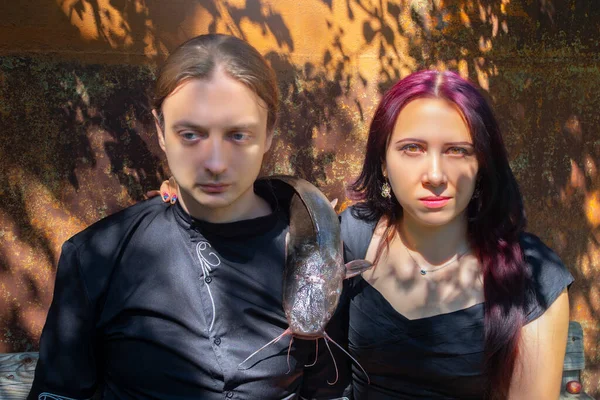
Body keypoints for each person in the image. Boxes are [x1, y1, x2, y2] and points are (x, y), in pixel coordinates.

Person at [28, 34, 350, 400]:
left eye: (238, 135)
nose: (215, 163)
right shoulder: (97, 255)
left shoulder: (315, 249)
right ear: (161, 131)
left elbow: (326, 390)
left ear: (270, 132)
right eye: (191, 134)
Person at [339, 70, 573, 399]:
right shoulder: (351, 239)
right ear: (382, 161)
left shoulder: (532, 277)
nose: (435, 175)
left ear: (482, 165)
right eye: (412, 148)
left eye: (457, 151)